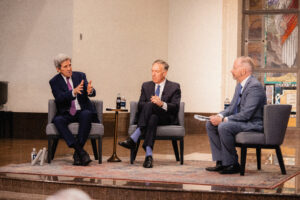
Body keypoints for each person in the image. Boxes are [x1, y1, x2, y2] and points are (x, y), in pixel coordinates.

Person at [205, 56, 266, 174]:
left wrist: (223, 120)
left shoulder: (254, 86)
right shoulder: (240, 85)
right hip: (242, 122)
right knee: (210, 124)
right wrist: (218, 115)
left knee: (224, 126)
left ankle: (232, 163)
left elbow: (247, 114)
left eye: (234, 68)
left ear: (243, 71)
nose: (231, 71)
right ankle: (221, 161)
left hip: (253, 124)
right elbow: (232, 107)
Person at [118, 59, 181, 168]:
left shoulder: (174, 87)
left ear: (164, 73)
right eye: (152, 71)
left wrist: (161, 103)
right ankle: (148, 156)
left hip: (166, 118)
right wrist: (151, 104)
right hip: (151, 118)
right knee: (152, 116)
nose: (153, 74)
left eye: (156, 71)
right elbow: (140, 105)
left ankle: (135, 136)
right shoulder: (146, 86)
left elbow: (175, 107)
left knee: (152, 106)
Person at [49, 53, 98, 166]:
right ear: (58, 69)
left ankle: (78, 154)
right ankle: (80, 151)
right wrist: (73, 92)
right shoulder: (54, 82)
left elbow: (91, 91)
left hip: (82, 110)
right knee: (57, 120)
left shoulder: (80, 76)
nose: (69, 68)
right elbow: (59, 98)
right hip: (67, 112)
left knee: (87, 114)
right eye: (65, 66)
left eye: (70, 65)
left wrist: (90, 90)